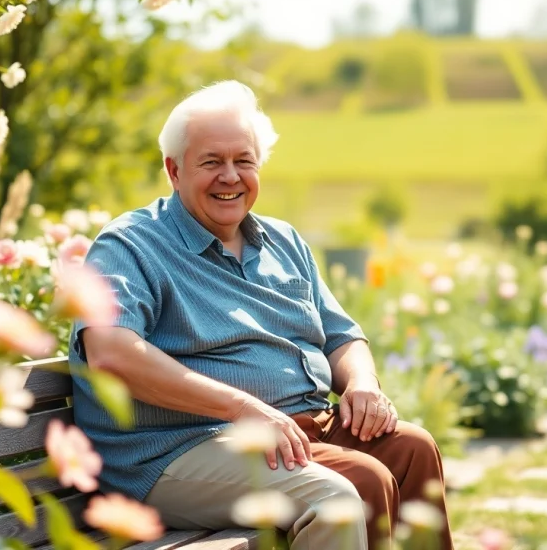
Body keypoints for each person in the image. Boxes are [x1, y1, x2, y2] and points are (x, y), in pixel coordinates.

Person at [68, 80, 453, 550]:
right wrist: (242, 407)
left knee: (414, 450)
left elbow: (341, 336)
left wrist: (362, 384)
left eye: (243, 161)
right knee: (349, 490)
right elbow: (111, 354)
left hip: (293, 428)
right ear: (174, 169)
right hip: (180, 448)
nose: (230, 176)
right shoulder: (130, 245)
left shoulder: (283, 241)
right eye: (211, 162)